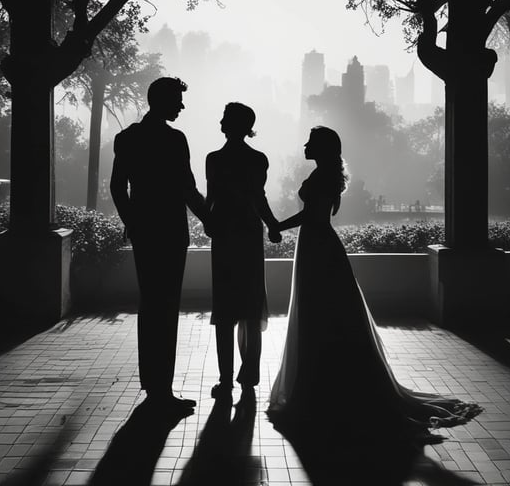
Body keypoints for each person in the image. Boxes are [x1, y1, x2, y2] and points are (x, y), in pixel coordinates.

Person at [267, 126, 482, 438]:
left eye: (311, 142)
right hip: (316, 244)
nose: (305, 145)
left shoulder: (322, 176)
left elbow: (313, 217)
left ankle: (321, 388)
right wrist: (279, 226)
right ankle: (326, 384)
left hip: (317, 245)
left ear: (323, 148)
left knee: (319, 313)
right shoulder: (324, 173)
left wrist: (276, 225)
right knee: (324, 313)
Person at [110, 77, 208, 410]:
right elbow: (187, 189)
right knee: (166, 308)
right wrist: (211, 218)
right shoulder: (175, 140)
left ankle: (153, 387)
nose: (181, 106)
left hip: (145, 233)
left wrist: (133, 222)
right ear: (163, 101)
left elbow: (117, 188)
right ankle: (161, 390)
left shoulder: (127, 139)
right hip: (171, 232)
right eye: (178, 100)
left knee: (150, 304)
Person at [205, 102, 281, 399]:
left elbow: (211, 198)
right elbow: (258, 198)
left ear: (232, 124)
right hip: (248, 232)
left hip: (224, 232)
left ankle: (225, 381)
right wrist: (272, 224)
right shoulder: (258, 159)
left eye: (225, 117)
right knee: (250, 304)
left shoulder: (213, 159)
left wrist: (207, 222)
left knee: (224, 309)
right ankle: (249, 373)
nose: (221, 120)